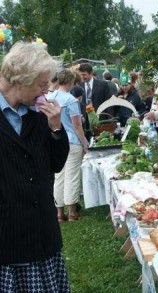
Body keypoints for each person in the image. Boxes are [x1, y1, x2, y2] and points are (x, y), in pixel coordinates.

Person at [0, 42, 70, 290]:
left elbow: (57, 163)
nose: (46, 91)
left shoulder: (40, 113)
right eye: (42, 84)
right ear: (21, 80)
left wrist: (55, 128)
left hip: (42, 234)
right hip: (8, 239)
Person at [48, 69, 89, 223]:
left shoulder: (50, 98)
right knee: (72, 176)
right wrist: (85, 144)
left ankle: (59, 213)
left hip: (55, 139)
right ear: (71, 82)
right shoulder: (71, 100)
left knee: (59, 176)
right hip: (72, 141)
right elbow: (77, 126)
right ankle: (72, 212)